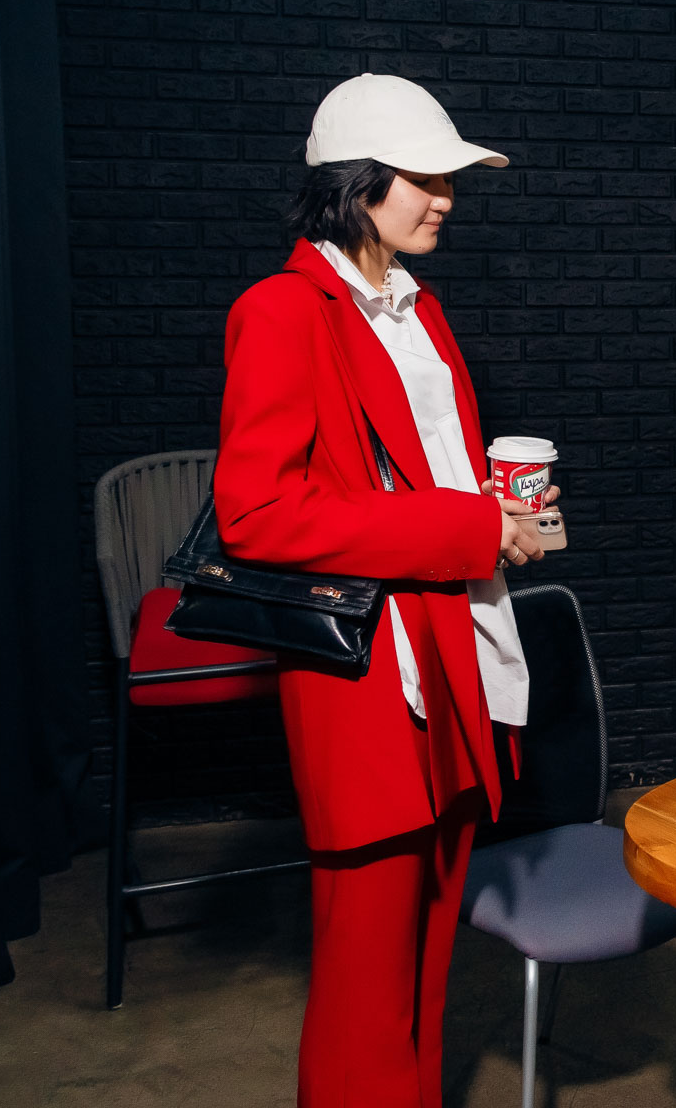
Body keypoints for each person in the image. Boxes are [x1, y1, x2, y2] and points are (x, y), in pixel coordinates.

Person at [214, 73, 556, 1107]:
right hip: (367, 681)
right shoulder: (281, 310)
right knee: (364, 988)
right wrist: (467, 528)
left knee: (427, 967)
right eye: (425, 178)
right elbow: (257, 514)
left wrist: (498, 509)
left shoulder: (418, 307)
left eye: (451, 180)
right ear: (355, 182)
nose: (447, 198)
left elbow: (414, 471)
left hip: (452, 660)